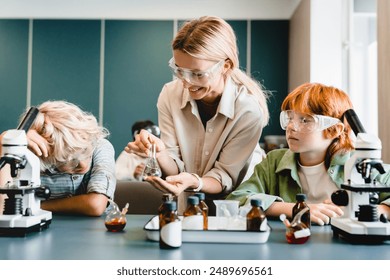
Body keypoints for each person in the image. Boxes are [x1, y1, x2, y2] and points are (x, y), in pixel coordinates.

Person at [125, 16, 269, 212]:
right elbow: (174, 167)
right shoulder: (170, 95)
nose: (186, 81)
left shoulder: (248, 111)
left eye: (197, 74)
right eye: (179, 70)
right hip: (187, 211)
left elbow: (224, 177)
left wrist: (194, 181)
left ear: (225, 66)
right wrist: (160, 153)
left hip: (231, 213)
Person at [226, 82, 390, 225]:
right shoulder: (274, 161)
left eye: (305, 120)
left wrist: (371, 211)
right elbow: (236, 199)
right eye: (290, 118)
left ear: (335, 130)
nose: (292, 127)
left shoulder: (360, 165)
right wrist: (297, 209)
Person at [0, 100, 116, 216]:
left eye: (86, 151)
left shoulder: (100, 146)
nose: (83, 165)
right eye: (72, 162)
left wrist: (33, 206)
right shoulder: (30, 156)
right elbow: (2, 206)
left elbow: (95, 205)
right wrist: (7, 145)